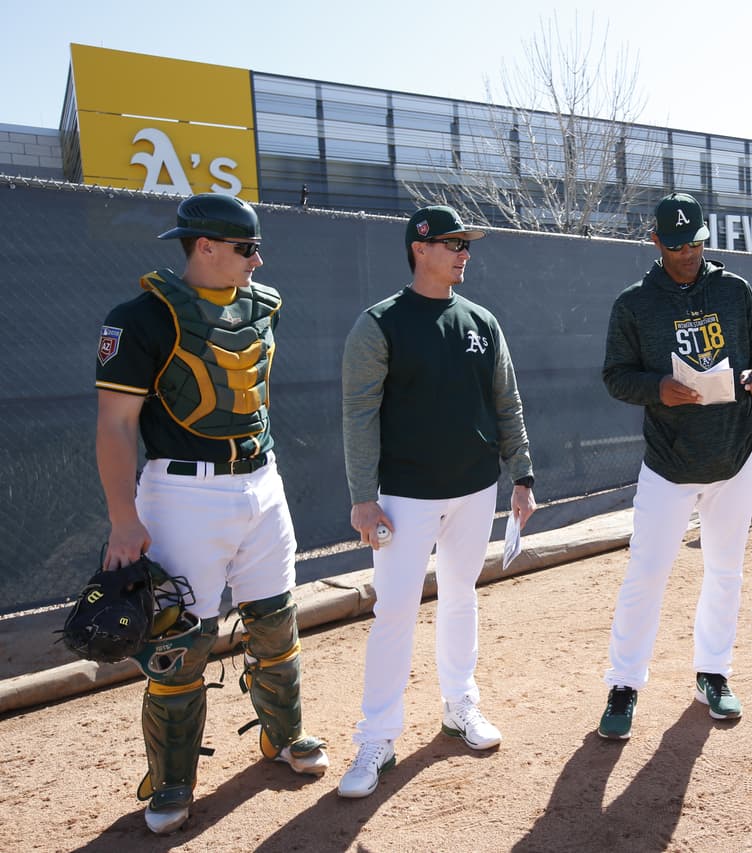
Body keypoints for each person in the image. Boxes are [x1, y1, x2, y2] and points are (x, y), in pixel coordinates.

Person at [95, 193, 329, 835]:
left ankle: (284, 736)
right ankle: (171, 781)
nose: (258, 260)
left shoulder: (263, 308)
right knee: (180, 640)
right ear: (205, 247)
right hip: (182, 493)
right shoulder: (139, 318)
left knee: (275, 618)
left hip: (260, 481)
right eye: (247, 249)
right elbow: (115, 425)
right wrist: (123, 518)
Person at [337, 205, 537, 798]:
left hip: (475, 488)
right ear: (419, 248)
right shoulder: (379, 324)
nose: (463, 253)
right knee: (395, 611)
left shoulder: (481, 320)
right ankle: (377, 737)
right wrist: (361, 499)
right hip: (403, 496)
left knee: (460, 597)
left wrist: (521, 475)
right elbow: (359, 415)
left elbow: (508, 403)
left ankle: (460, 707)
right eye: (451, 243)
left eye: (466, 245)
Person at [597, 192, 752, 740]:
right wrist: (657, 389)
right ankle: (624, 684)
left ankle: (712, 674)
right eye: (676, 246)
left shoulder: (734, 289)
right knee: (646, 574)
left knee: (725, 571)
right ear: (656, 242)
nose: (688, 254)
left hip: (735, 453)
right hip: (670, 463)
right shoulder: (634, 303)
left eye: (696, 243)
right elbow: (614, 375)